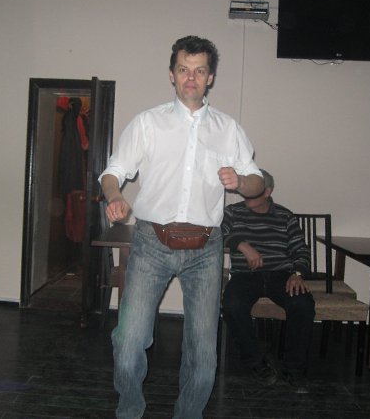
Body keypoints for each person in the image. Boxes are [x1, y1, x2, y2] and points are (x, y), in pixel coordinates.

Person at [100, 35, 264, 419]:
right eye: (184, 69)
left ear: (210, 77)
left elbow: (258, 182)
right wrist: (114, 196)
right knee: (128, 341)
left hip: (206, 249)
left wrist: (241, 182)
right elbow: (113, 171)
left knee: (204, 354)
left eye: (200, 70)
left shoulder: (228, 129)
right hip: (151, 243)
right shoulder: (148, 123)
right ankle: (130, 410)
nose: (191, 78)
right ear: (171, 74)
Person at [221, 169, 315, 393]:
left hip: (281, 275)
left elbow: (301, 250)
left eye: (253, 190)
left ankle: (294, 369)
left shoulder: (285, 216)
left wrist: (298, 274)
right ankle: (257, 362)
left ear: (267, 191)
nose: (246, 195)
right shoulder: (232, 212)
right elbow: (216, 235)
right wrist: (242, 244)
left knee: (303, 303)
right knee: (232, 304)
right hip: (245, 275)